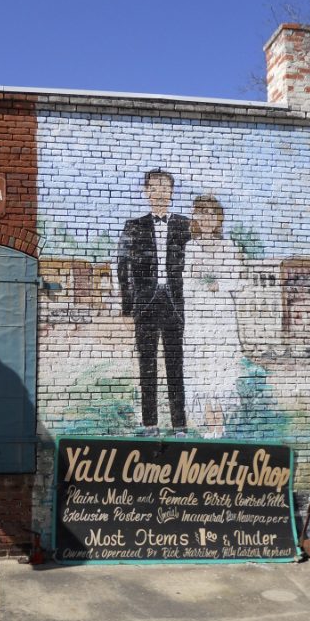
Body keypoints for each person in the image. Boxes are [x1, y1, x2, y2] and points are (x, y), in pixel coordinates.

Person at [118, 170, 191, 435]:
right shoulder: (133, 226)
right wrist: (128, 308)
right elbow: (122, 267)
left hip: (175, 303)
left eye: (165, 187)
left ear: (172, 192)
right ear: (146, 192)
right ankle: (151, 423)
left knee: (176, 363)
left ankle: (180, 424)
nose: (160, 192)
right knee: (146, 364)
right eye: (154, 187)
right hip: (146, 304)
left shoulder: (186, 225)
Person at [183, 194, 245, 437]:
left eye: (212, 214)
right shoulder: (191, 247)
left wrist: (215, 283)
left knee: (220, 368)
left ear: (218, 218)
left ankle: (220, 424)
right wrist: (200, 281)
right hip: (198, 316)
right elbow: (186, 282)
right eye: (202, 213)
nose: (207, 219)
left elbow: (236, 280)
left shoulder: (228, 246)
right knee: (201, 368)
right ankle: (209, 424)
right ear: (196, 218)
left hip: (221, 315)